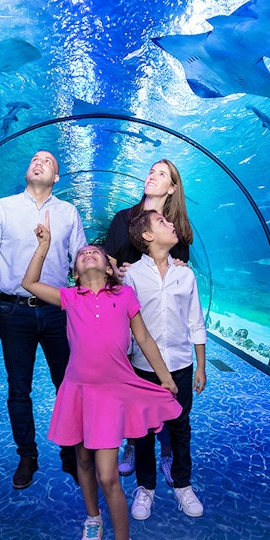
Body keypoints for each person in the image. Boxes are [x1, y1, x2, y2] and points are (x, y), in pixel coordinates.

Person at [21, 214, 181, 540]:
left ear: (111, 268)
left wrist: (165, 377)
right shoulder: (68, 298)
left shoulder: (124, 296)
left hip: (112, 393)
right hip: (77, 392)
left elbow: (143, 339)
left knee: (109, 473)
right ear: (75, 272)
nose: (89, 254)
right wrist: (44, 246)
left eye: (97, 253)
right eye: (82, 255)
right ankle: (92, 518)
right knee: (82, 461)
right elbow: (27, 283)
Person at [0, 150, 87, 490]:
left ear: (56, 178)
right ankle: (27, 455)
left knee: (67, 385)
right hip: (13, 311)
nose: (38, 162)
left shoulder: (68, 212)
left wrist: (90, 305)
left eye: (47, 161)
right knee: (18, 389)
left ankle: (71, 452)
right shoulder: (2, 208)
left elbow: (81, 262)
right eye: (34, 158)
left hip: (56, 310)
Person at [103, 159, 195, 478]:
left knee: (167, 388)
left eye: (161, 174)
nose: (151, 176)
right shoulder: (123, 219)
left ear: (172, 188)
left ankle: (167, 451)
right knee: (134, 385)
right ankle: (134, 442)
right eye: (151, 171)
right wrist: (119, 271)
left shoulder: (175, 231)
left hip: (163, 324)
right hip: (127, 319)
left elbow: (181, 273)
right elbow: (108, 262)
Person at [123, 208, 207, 520]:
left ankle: (183, 486)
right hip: (143, 367)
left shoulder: (186, 275)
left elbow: (196, 322)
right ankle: (146, 489)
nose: (171, 224)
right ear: (147, 236)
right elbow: (127, 327)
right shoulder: (131, 276)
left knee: (181, 427)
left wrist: (201, 366)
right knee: (143, 430)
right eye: (162, 222)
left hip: (182, 364)